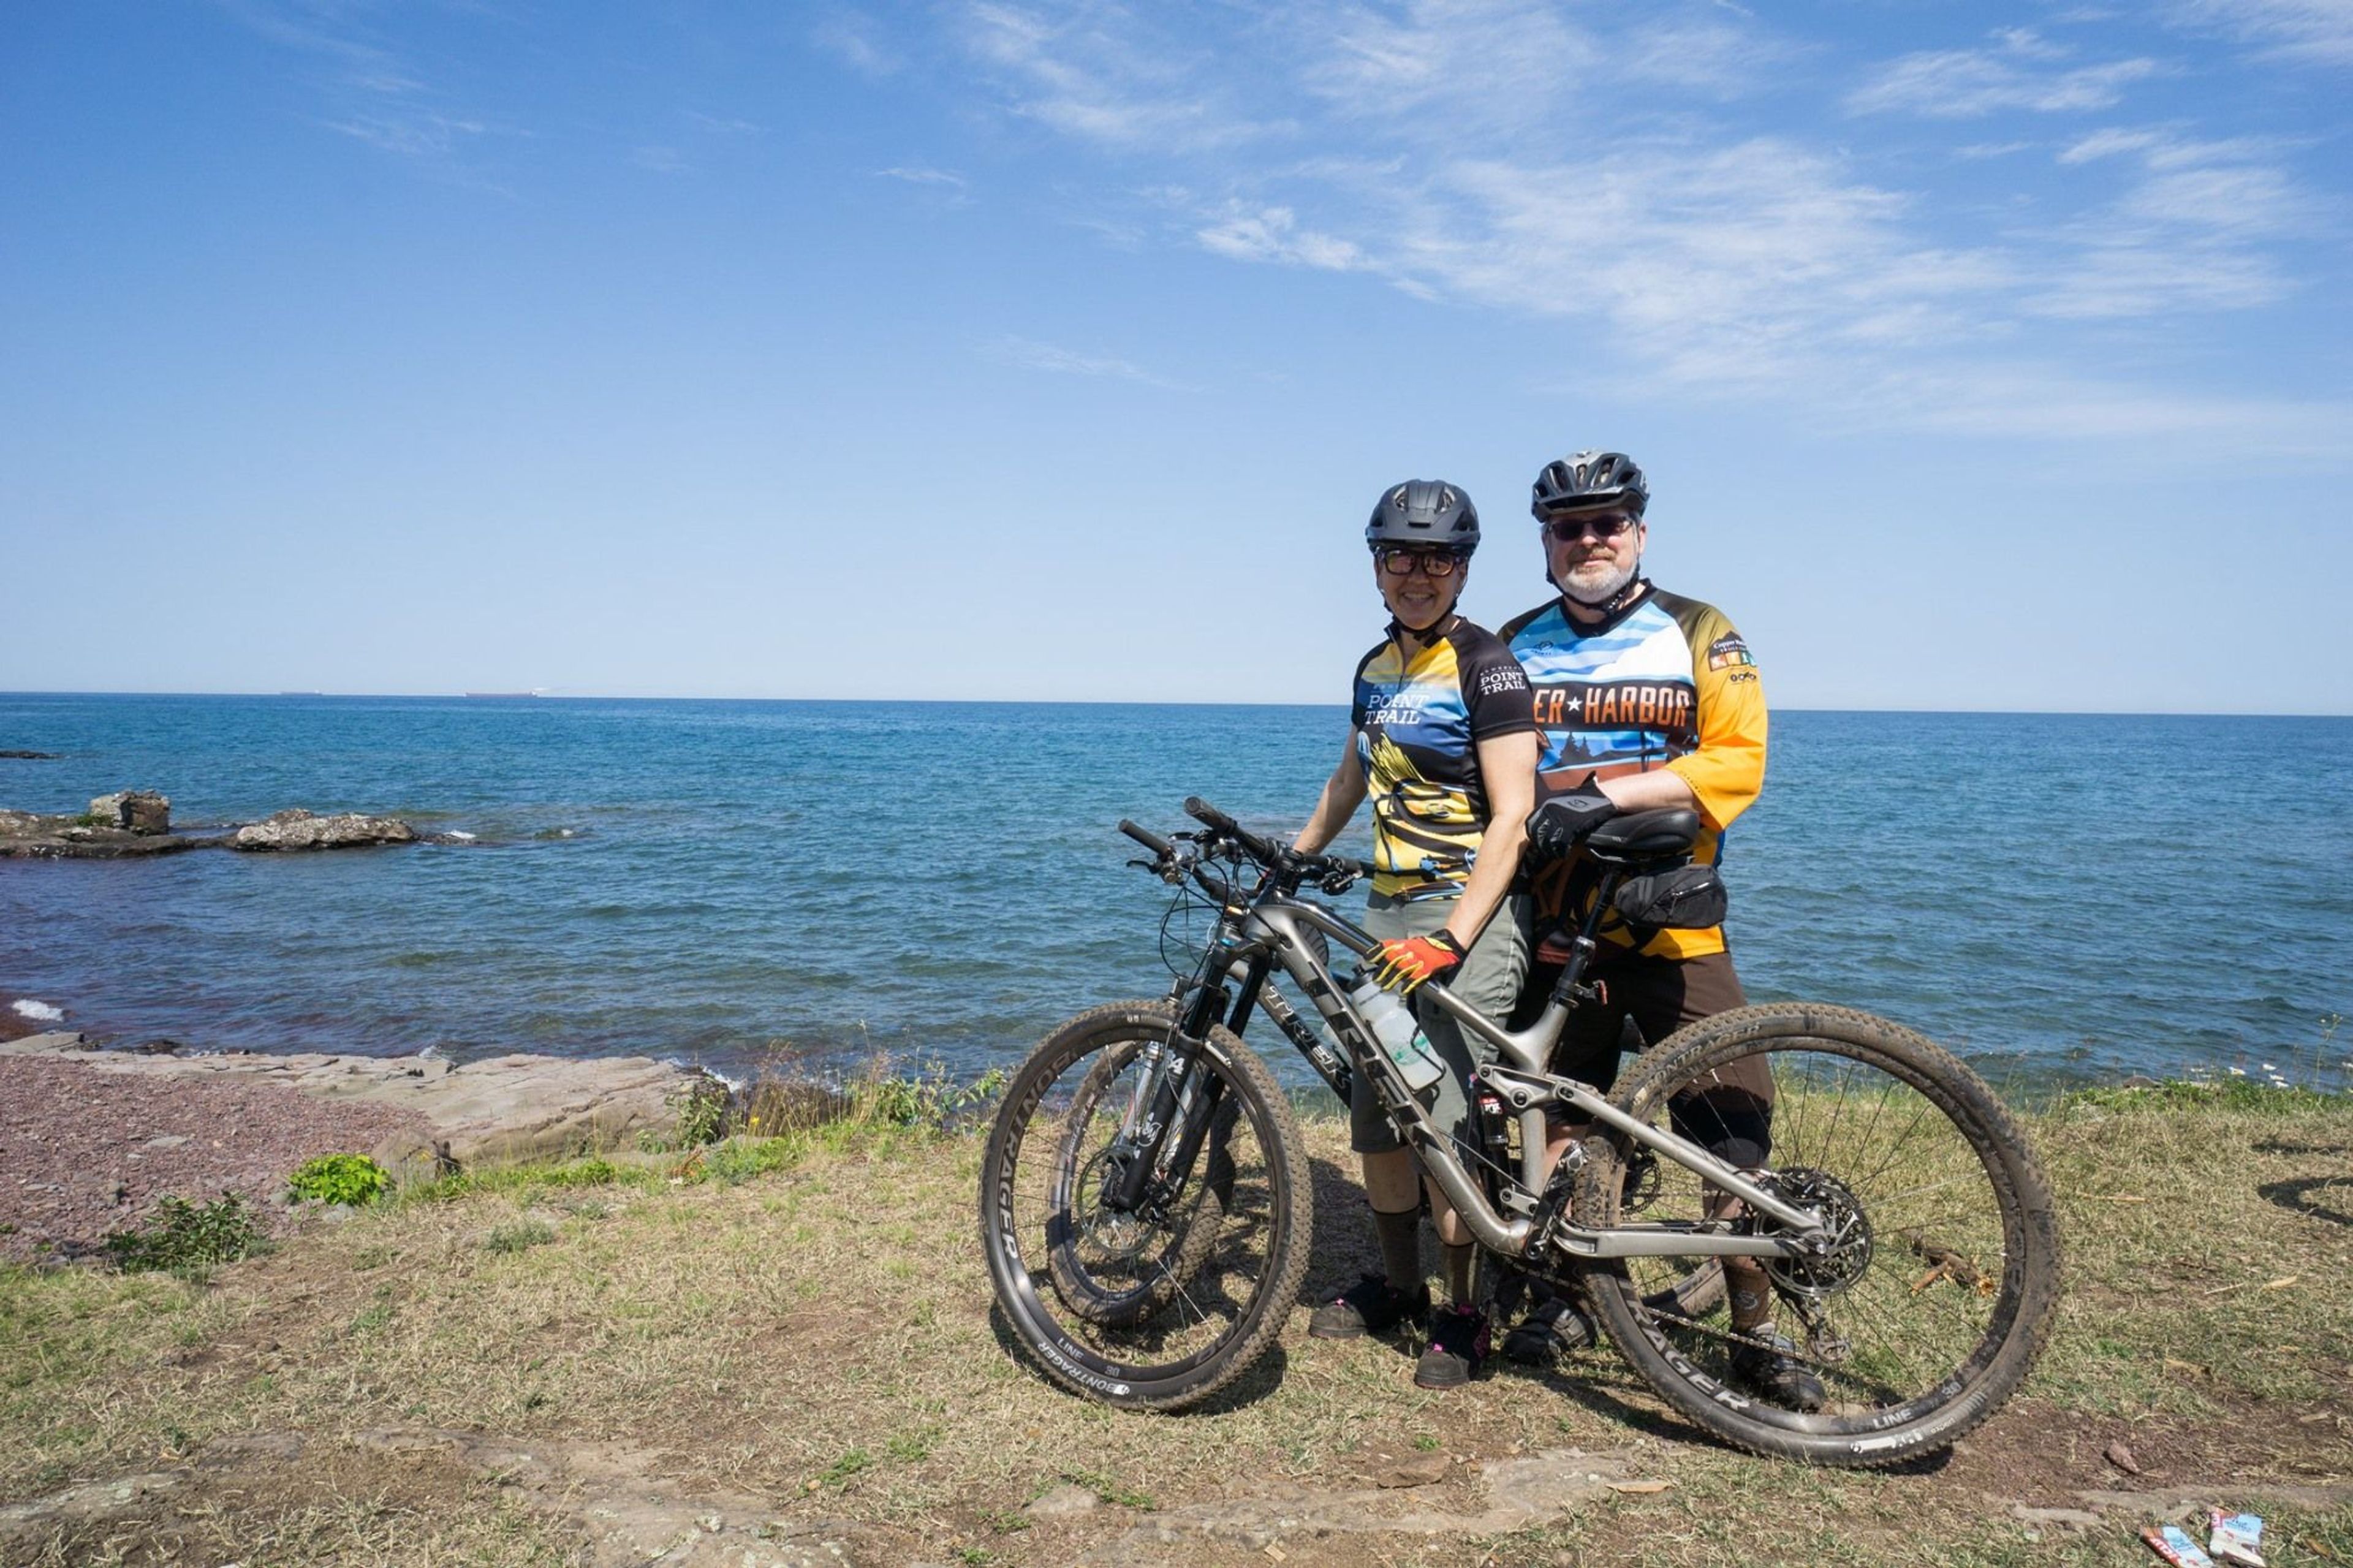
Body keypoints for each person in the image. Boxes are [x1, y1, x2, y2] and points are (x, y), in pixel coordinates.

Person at [1494, 450, 1824, 1410]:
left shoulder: (1699, 632)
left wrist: (1603, 795)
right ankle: (1564, 1295)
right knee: (1551, 1120)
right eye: (1570, 527)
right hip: (1556, 928)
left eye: (1609, 523)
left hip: (1672, 929)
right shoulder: (1515, 643)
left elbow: (1739, 760)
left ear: (1639, 531)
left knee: (1732, 1135)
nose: (1590, 539)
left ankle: (1755, 1331)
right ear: (1547, 543)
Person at [1289, 479, 1539, 1389]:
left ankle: (1466, 1313)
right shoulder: (1373, 670)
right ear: (1377, 565)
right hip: (1384, 918)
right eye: (1402, 556)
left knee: (1448, 1123)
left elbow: (1514, 815)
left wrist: (1454, 938)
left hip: (1468, 918)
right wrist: (1296, 852)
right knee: (1378, 1117)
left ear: (1463, 568)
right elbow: (1350, 780)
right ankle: (1400, 1289)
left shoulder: (1489, 665)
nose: (1418, 574)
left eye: (1437, 558)